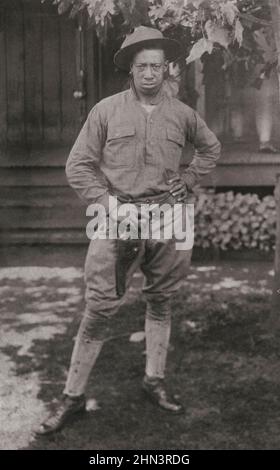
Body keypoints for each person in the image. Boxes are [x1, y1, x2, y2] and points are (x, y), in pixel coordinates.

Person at [36, 26, 221, 435]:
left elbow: (211, 149)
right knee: (100, 305)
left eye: (157, 66)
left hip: (171, 216)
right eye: (143, 67)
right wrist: (106, 202)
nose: (151, 74)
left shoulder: (184, 114)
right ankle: (73, 396)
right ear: (131, 70)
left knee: (162, 299)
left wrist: (189, 179)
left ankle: (154, 380)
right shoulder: (105, 111)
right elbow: (78, 165)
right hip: (116, 216)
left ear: (167, 69)